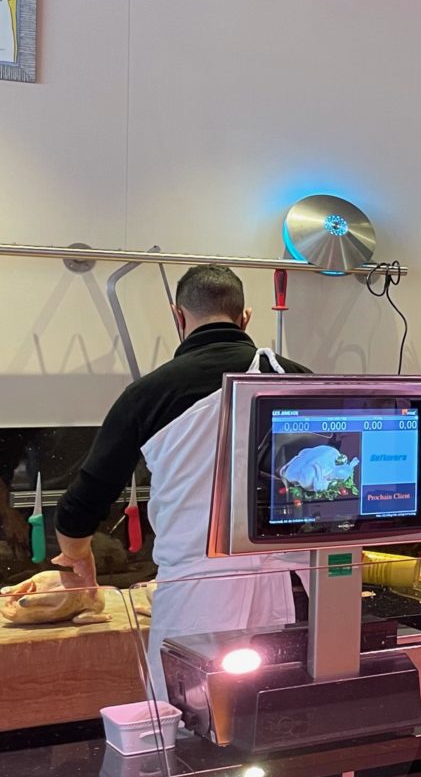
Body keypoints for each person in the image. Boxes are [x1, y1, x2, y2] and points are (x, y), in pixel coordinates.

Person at [53, 265, 310, 697]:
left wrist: (77, 555)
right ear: (245, 318)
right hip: (293, 588)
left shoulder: (149, 393)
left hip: (197, 596)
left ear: (178, 316)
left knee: (191, 714)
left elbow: (84, 502)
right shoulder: (300, 379)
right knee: (284, 711)